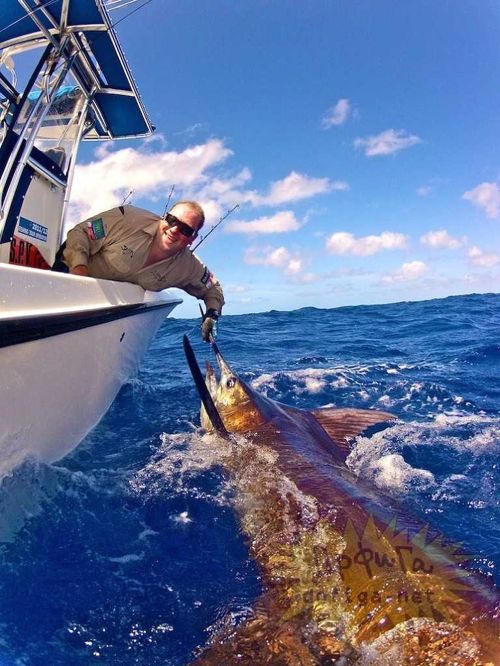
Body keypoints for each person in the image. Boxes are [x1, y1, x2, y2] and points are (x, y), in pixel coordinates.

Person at [54, 200, 223, 341]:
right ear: (165, 217)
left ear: (192, 239)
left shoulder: (188, 267)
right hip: (66, 281)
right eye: (172, 220)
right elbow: (82, 232)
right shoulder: (127, 218)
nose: (174, 230)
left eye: (185, 229)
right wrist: (79, 273)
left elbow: (213, 289)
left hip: (104, 311)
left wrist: (212, 315)